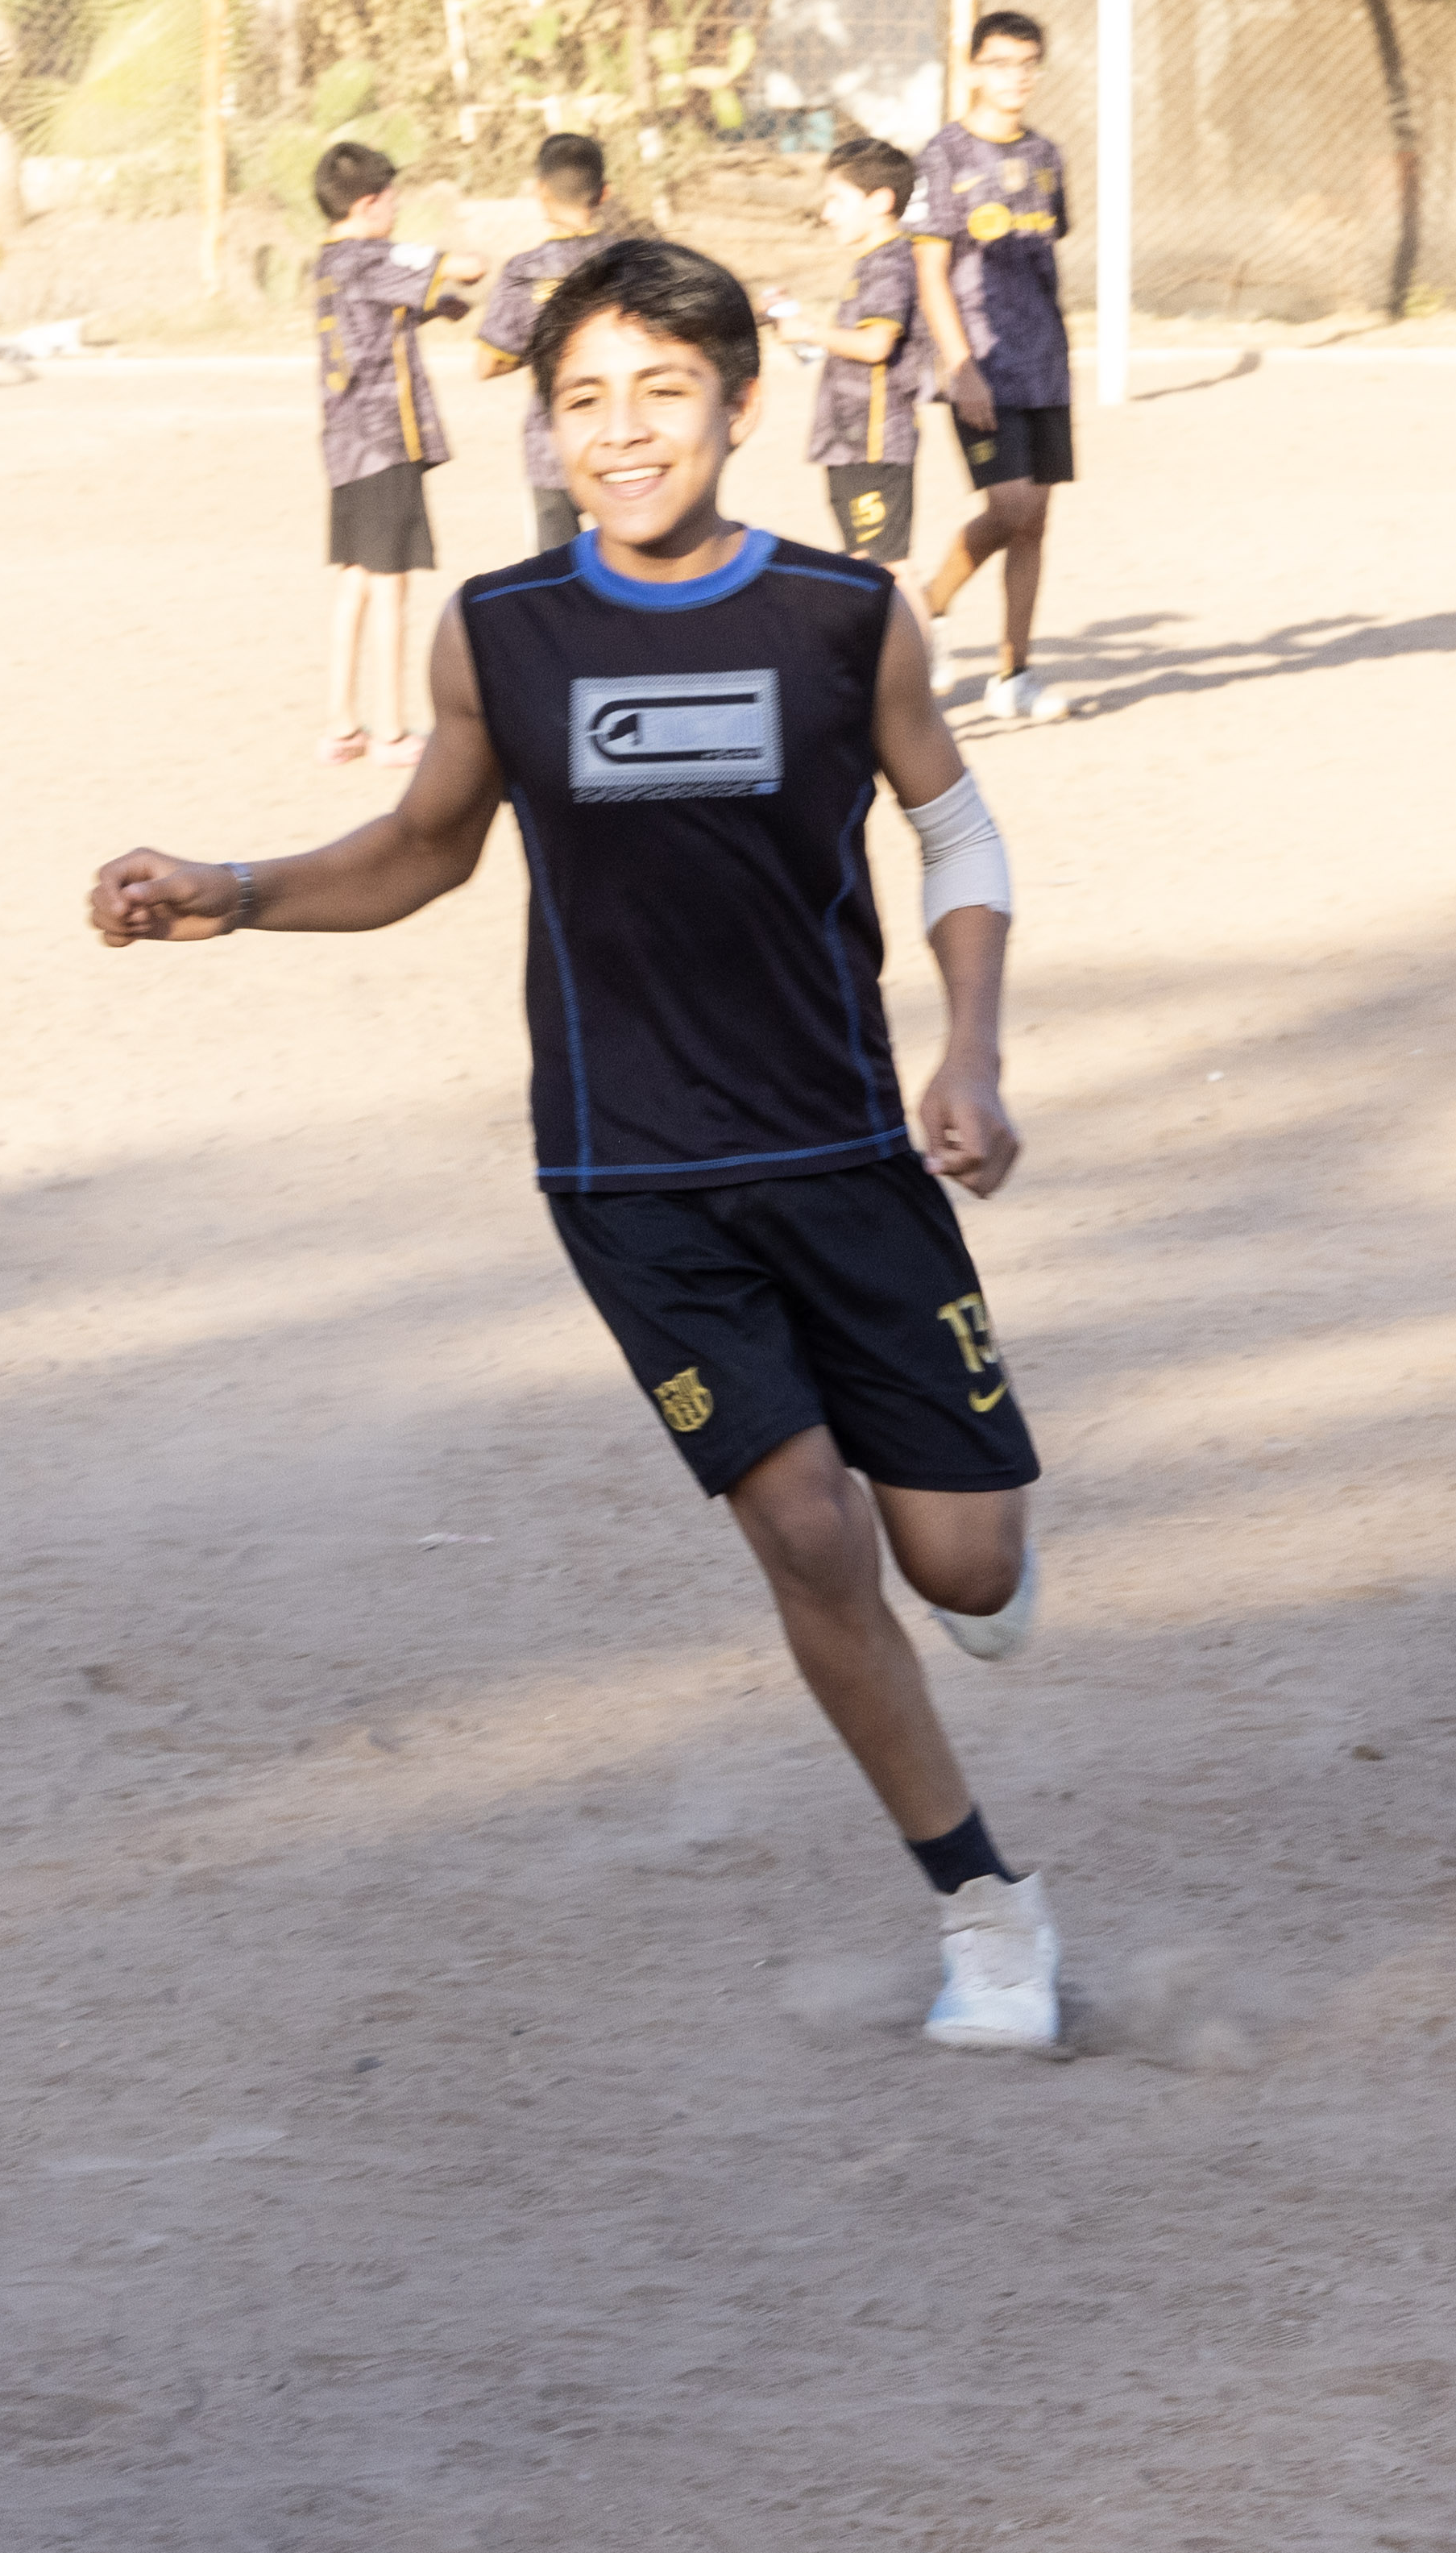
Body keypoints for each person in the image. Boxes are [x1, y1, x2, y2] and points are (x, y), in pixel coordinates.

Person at [85, 239, 1068, 2056]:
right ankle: (982, 1903)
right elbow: (420, 848)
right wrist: (228, 890)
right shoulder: (503, 630)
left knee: (962, 1562)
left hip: (846, 1148)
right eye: (585, 401)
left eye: (662, 393)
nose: (623, 435)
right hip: (626, 1175)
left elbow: (961, 834)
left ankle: (977, 1561)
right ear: (545, 427)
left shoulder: (847, 619)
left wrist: (974, 1052)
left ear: (739, 407)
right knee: (798, 1527)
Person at [907, 14, 1076, 720]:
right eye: (1002, 62)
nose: (1016, 76)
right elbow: (929, 267)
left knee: (1034, 521)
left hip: (1043, 362)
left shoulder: (1045, 156)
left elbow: (1047, 247)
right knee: (1009, 506)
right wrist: (959, 365)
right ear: (974, 67)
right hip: (982, 361)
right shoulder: (942, 156)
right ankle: (926, 605)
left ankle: (1014, 675)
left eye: (1027, 62)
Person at [311, 140, 483, 768]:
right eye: (391, 198)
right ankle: (387, 730)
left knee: (354, 581)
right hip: (385, 441)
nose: (397, 207)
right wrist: (466, 254)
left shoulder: (327, 262)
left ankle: (340, 723)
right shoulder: (376, 254)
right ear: (368, 202)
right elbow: (463, 267)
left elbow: (379, 313)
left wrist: (433, 308)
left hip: (343, 444)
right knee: (390, 587)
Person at [771, 137, 927, 566]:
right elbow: (851, 350)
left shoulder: (889, 264)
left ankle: (919, 632)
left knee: (885, 568)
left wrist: (810, 329)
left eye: (837, 201)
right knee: (864, 562)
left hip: (873, 443)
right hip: (851, 442)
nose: (826, 214)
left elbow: (876, 346)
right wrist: (797, 331)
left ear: (880, 201)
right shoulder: (872, 262)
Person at [471, 131, 627, 554]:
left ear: (541, 192)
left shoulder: (525, 272)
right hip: (623, 442)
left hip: (551, 448)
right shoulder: (634, 262)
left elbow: (487, 363)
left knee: (556, 582)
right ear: (605, 193)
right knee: (634, 567)